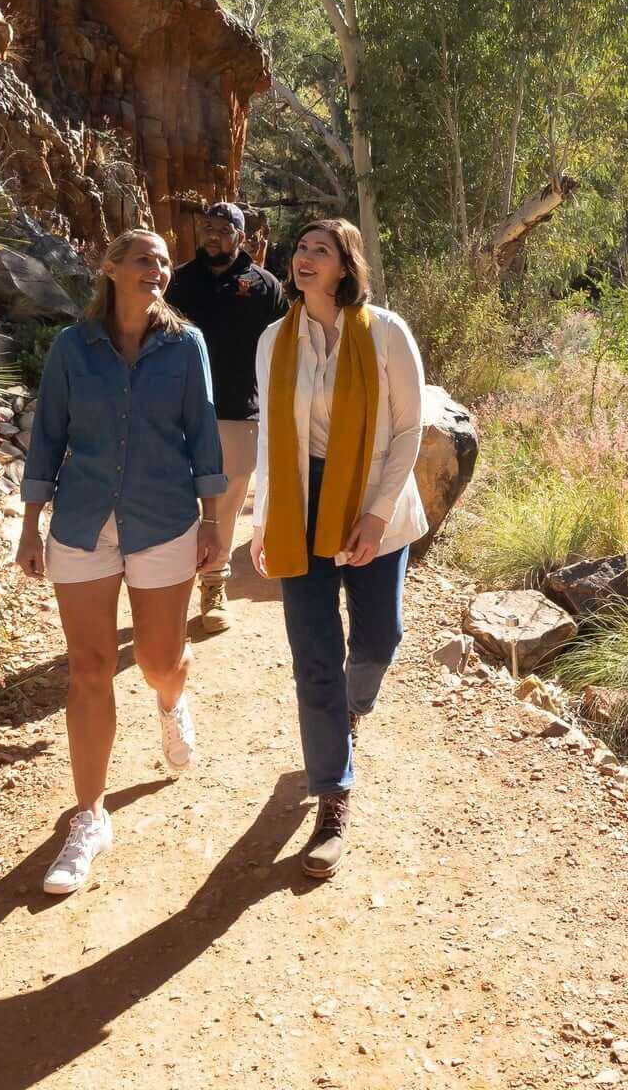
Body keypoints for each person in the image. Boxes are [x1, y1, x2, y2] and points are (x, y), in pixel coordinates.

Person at [15, 227, 229, 896]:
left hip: (164, 520)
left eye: (164, 262)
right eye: (144, 260)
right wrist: (30, 523)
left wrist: (213, 523)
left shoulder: (186, 345)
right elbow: (49, 434)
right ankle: (89, 817)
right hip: (82, 522)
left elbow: (204, 434)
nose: (157, 270)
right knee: (90, 668)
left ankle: (171, 698)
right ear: (109, 268)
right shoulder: (73, 349)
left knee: (160, 659)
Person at [249, 218, 428, 879]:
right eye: (301, 248)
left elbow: (410, 429)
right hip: (301, 504)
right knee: (315, 656)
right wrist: (264, 521)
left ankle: (353, 710)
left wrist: (376, 516)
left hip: (371, 495)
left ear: (345, 267)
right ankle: (333, 797)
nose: (304, 258)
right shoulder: (275, 340)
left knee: (379, 638)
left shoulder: (385, 332)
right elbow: (271, 436)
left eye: (320, 251)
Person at [163, 201, 285, 629]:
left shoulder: (265, 286)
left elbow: (284, 347)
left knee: (228, 505)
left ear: (242, 235)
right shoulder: (176, 282)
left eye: (222, 229)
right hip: (177, 408)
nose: (212, 236)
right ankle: (172, 587)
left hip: (239, 411)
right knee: (179, 499)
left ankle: (214, 585)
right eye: (207, 228)